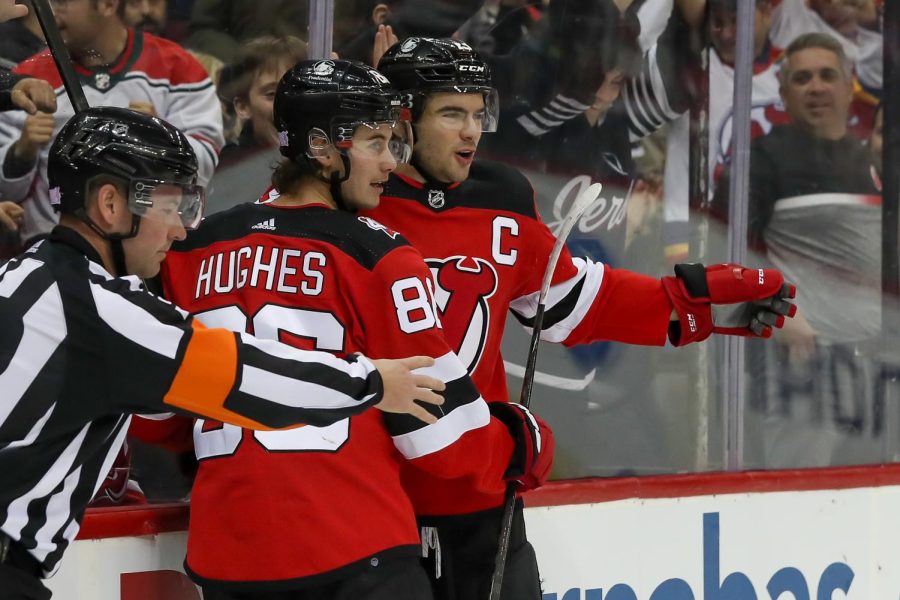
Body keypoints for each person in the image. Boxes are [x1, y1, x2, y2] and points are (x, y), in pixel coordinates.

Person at [367, 37, 798, 599]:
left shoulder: (502, 198)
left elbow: (574, 303)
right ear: (402, 119)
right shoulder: (358, 200)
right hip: (377, 509)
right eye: (452, 114)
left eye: (479, 113)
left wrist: (691, 302)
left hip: (481, 507)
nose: (472, 131)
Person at [146, 58, 553, 600]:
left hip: (229, 556)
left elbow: (157, 418)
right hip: (356, 552)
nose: (390, 163)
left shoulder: (193, 251)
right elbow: (442, 439)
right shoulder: (378, 255)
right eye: (375, 143)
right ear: (321, 147)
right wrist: (524, 444)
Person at [0, 105, 446, 600]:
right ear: (110, 204)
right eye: (171, 207)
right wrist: (373, 382)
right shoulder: (101, 309)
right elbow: (240, 377)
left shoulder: (19, 277)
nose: (181, 230)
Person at [714, 33, 881, 467]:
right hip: (801, 364)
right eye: (802, 78)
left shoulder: (870, 163)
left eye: (827, 75)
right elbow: (724, 250)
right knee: (800, 491)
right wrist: (776, 310)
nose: (816, 87)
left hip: (878, 361)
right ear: (784, 94)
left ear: (850, 85)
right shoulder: (759, 162)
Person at [0, 0, 224, 247]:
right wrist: (22, 151)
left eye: (62, 3)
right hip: (54, 250)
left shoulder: (177, 66)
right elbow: (7, 196)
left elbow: (205, 168)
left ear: (107, 4)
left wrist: (161, 140)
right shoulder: (25, 81)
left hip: (154, 246)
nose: (51, 14)